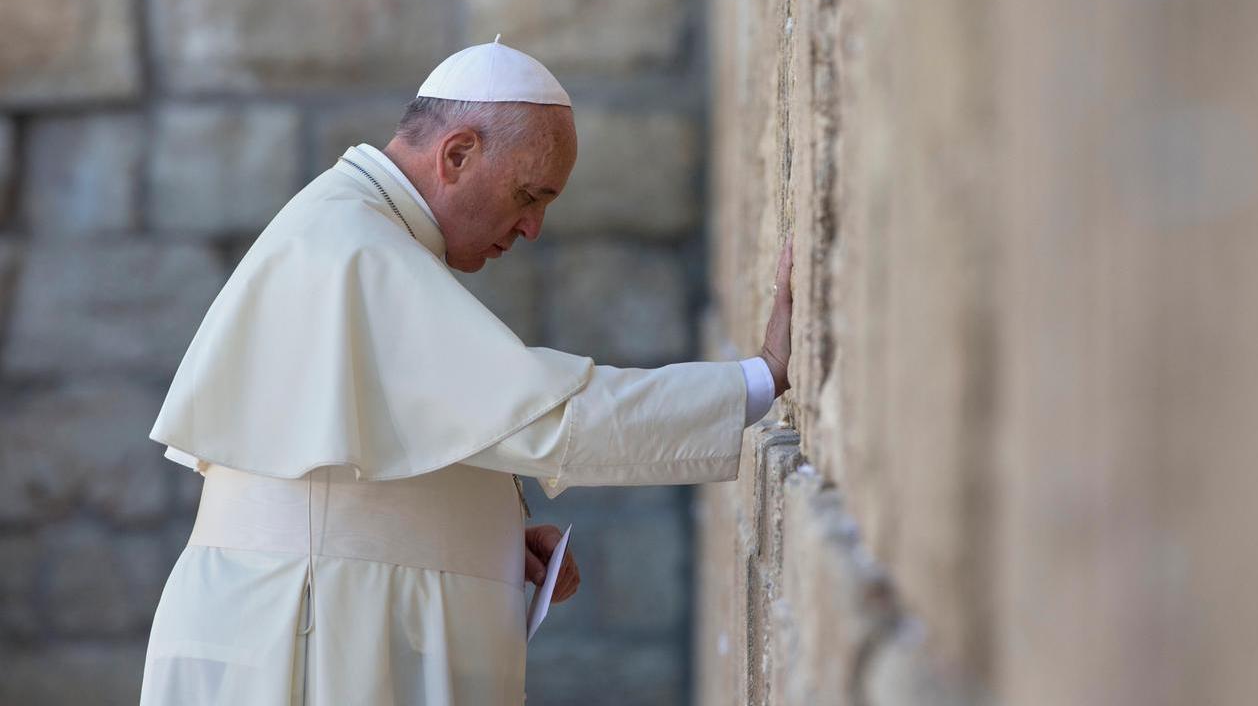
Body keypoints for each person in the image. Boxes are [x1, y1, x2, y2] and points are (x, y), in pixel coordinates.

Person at [140, 37, 794, 706]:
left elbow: (357, 471)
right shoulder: (357, 250)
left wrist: (484, 536)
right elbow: (549, 416)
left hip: (303, 618)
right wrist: (759, 379)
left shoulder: (352, 228)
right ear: (456, 155)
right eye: (529, 195)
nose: (533, 227)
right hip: (300, 639)